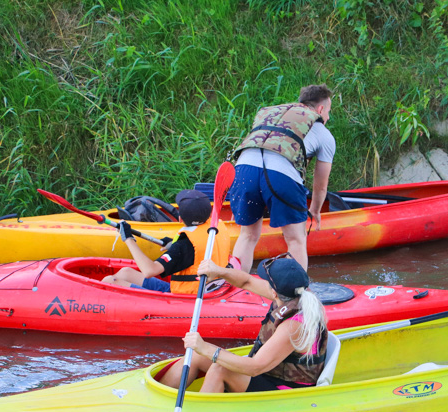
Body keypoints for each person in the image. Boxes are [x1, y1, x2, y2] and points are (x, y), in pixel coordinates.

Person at [159, 254, 328, 393]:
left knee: (220, 369)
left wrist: (206, 348)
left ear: (274, 293)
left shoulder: (294, 326)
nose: (263, 283)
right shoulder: (294, 293)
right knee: (197, 355)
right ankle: (161, 399)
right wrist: (219, 271)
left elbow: (255, 367)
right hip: (268, 373)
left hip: (285, 389)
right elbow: (246, 281)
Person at [229, 83, 336, 272]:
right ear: (320, 109)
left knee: (247, 235)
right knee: (296, 238)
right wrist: (315, 211)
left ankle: (235, 288)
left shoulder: (276, 115)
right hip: (281, 173)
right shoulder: (323, 133)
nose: (327, 117)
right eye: (328, 111)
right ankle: (296, 295)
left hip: (243, 169)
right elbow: (320, 184)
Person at [102, 189, 231, 294]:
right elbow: (196, 253)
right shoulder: (216, 227)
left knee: (109, 281)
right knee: (126, 272)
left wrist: (128, 238)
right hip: (208, 289)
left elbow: (149, 271)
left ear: (180, 218)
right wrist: (172, 245)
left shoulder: (183, 246)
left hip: (184, 299)